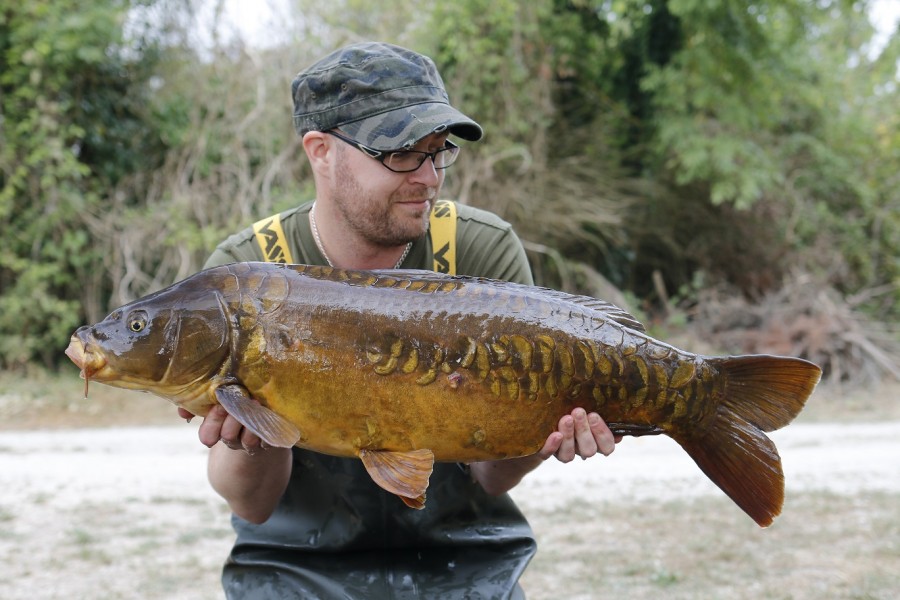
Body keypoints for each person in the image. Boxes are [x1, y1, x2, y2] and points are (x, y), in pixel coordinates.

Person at [180, 41, 618, 599]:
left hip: (464, 557)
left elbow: (491, 477)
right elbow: (251, 504)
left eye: (438, 151)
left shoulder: (479, 251)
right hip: (293, 562)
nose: (429, 177)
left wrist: (542, 432)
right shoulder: (245, 279)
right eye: (401, 153)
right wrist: (256, 430)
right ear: (321, 151)